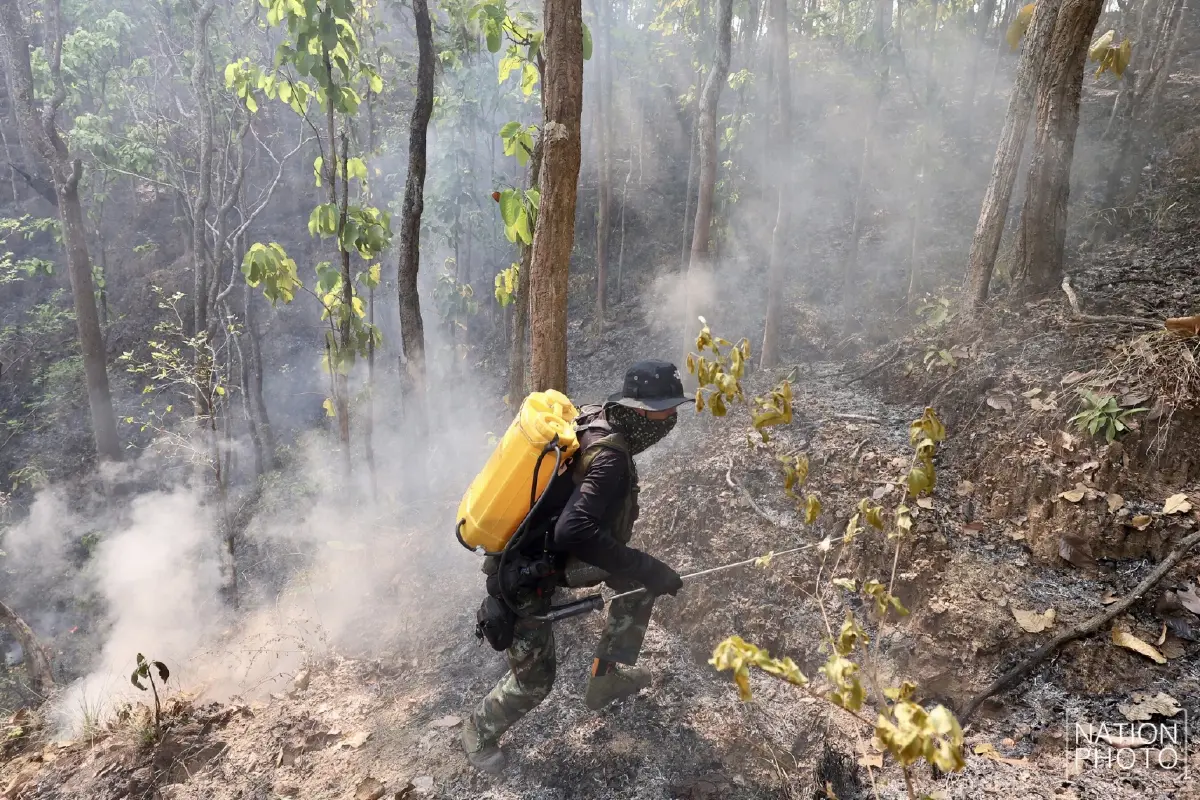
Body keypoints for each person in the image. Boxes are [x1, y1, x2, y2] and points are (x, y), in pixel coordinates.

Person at [460, 360, 691, 774]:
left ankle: (605, 679)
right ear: (640, 411)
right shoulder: (611, 458)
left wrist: (642, 570)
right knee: (535, 683)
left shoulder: (595, 418)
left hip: (549, 556)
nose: (671, 419)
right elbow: (573, 531)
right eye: (666, 411)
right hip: (526, 573)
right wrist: (647, 564)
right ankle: (478, 732)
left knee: (637, 582)